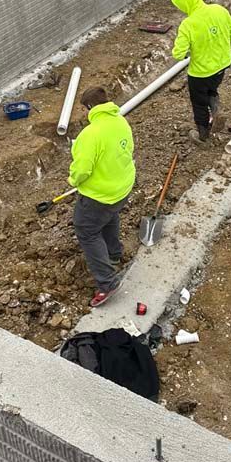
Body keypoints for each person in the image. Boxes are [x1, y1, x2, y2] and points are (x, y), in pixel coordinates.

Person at [69, 87, 136, 309]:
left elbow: (81, 170)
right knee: (110, 216)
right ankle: (114, 254)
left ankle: (107, 282)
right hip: (122, 188)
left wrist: (73, 181)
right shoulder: (120, 121)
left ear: (89, 108)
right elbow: (129, 150)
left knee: (87, 231)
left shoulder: (90, 134)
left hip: (100, 195)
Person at [171, 0, 231, 143]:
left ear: (185, 4)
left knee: (199, 102)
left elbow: (178, 53)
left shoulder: (188, 24)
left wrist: (185, 52)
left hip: (200, 73)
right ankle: (216, 109)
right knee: (211, 89)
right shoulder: (219, 10)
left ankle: (203, 134)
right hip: (222, 66)